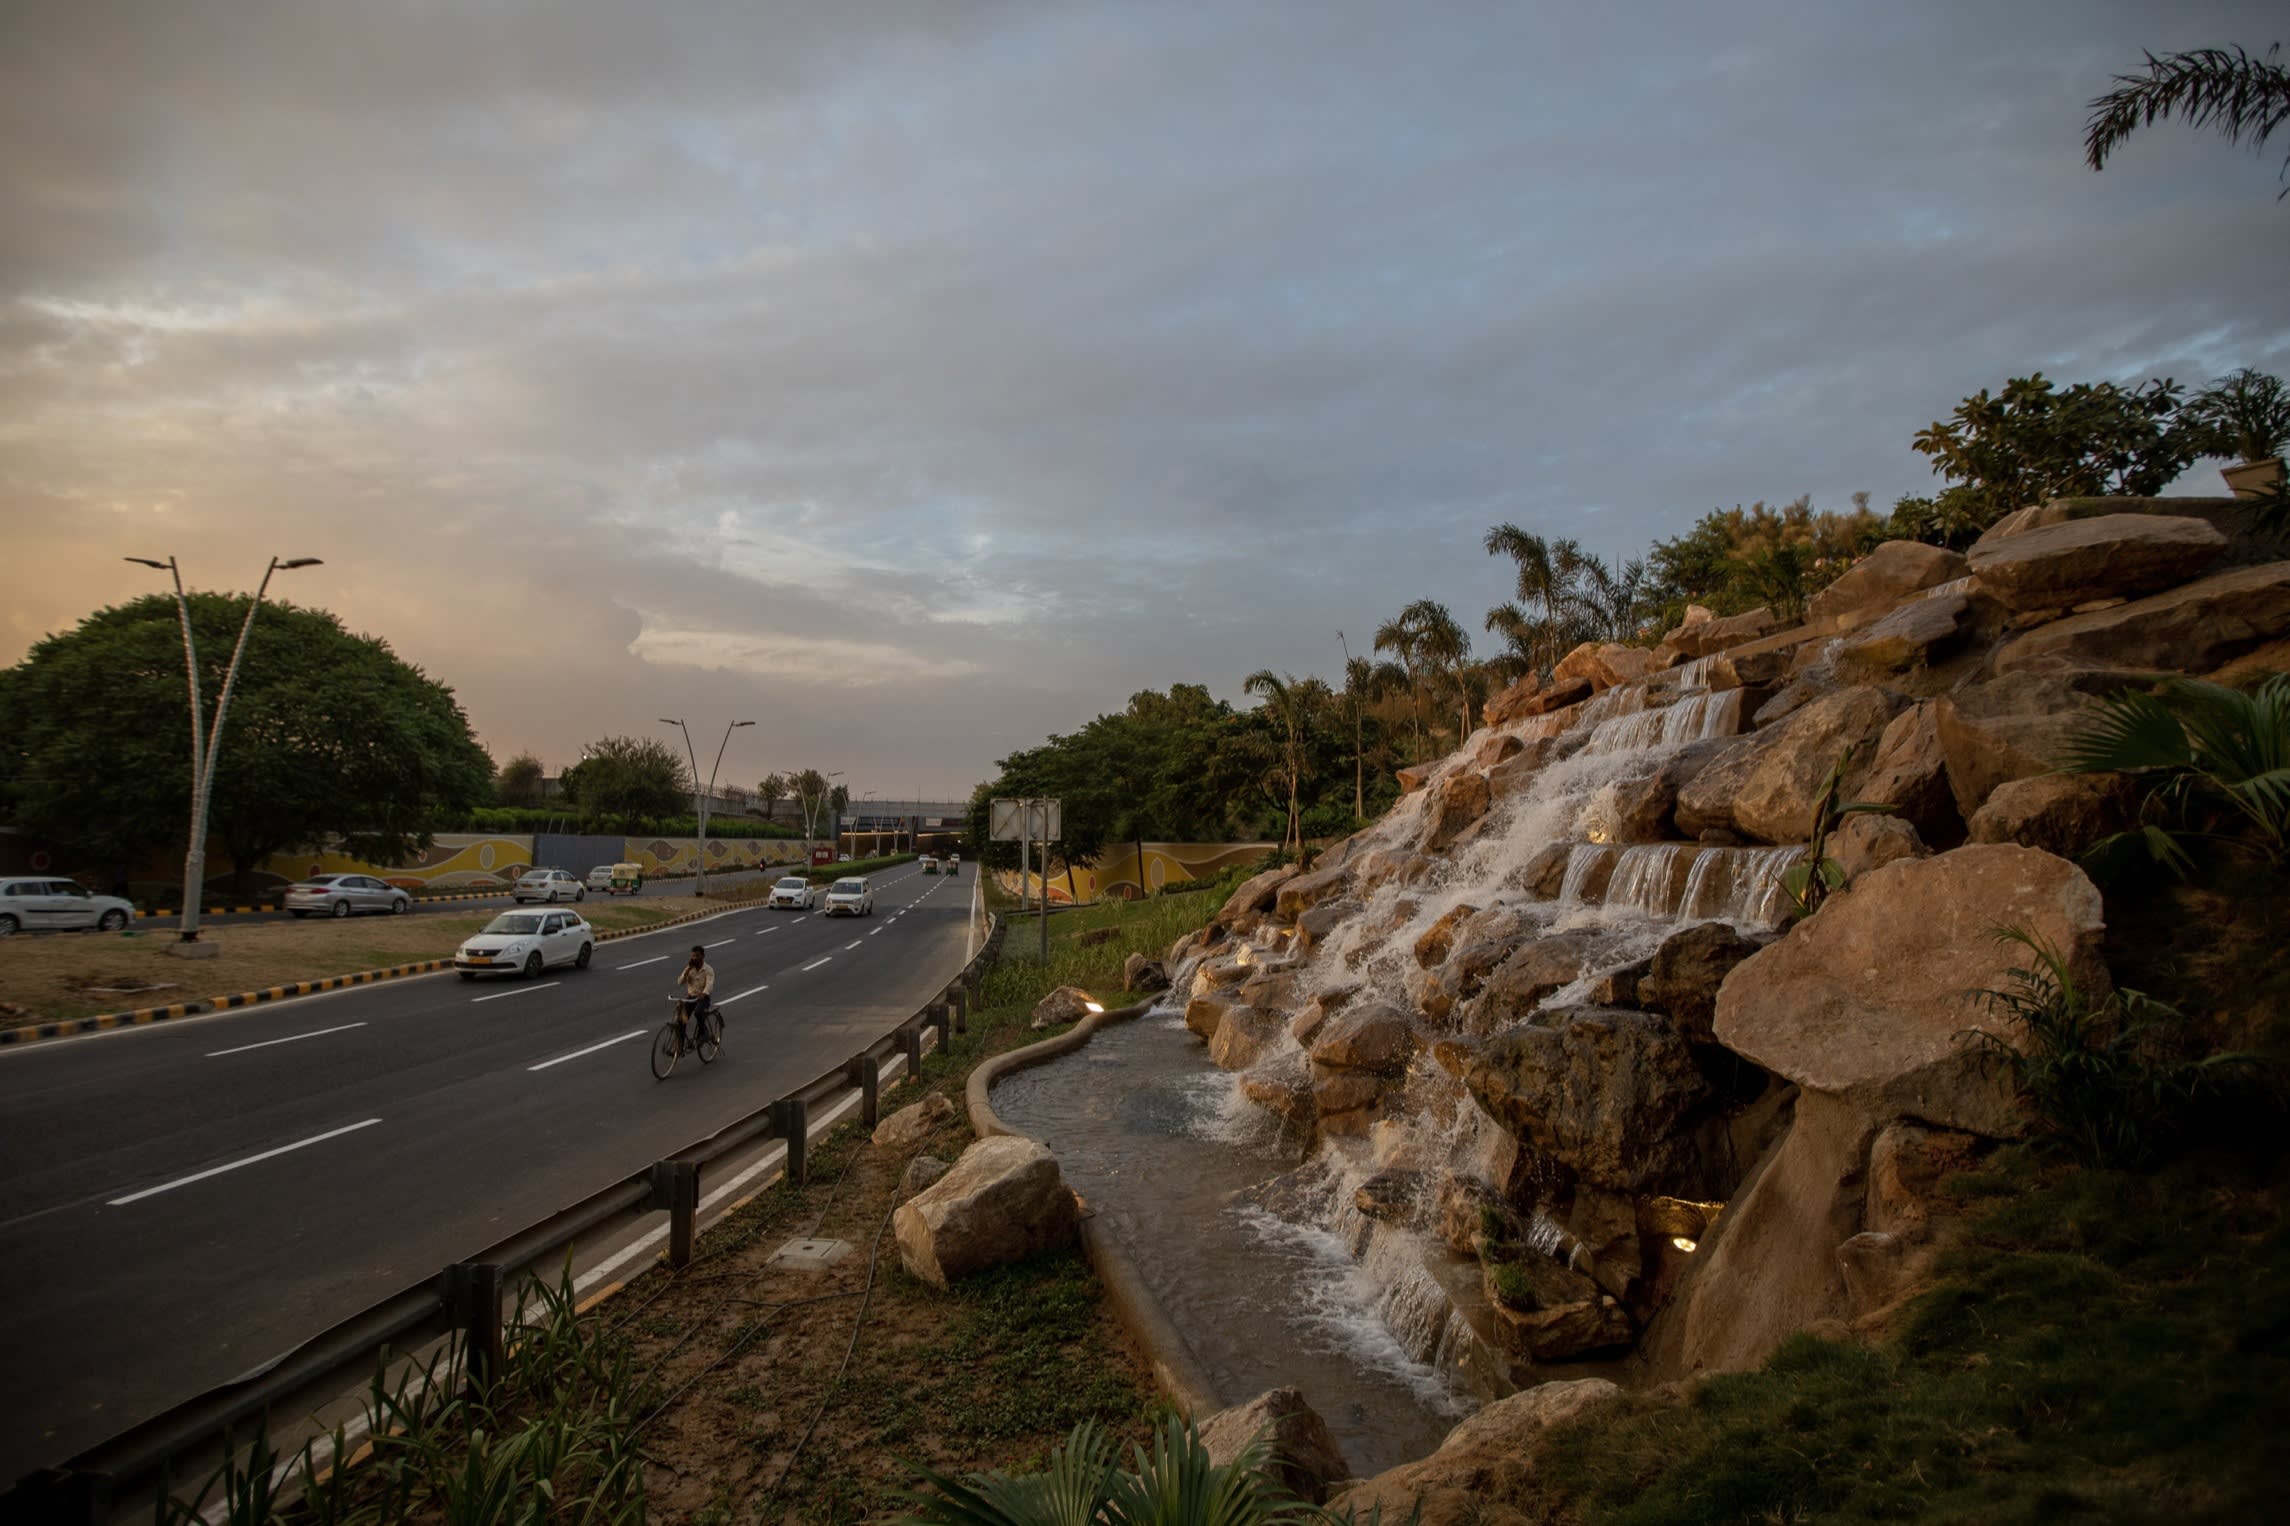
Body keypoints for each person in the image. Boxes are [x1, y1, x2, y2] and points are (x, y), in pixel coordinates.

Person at [675, 944, 716, 1037]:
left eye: (697, 956)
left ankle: (703, 1032)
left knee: (698, 1013)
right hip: (690, 998)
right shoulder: (689, 968)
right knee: (681, 1020)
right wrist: (687, 971)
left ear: (703, 956)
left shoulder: (708, 969)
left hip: (703, 999)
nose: (695, 958)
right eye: (693, 956)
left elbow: (709, 984)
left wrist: (704, 993)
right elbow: (680, 982)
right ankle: (680, 1045)